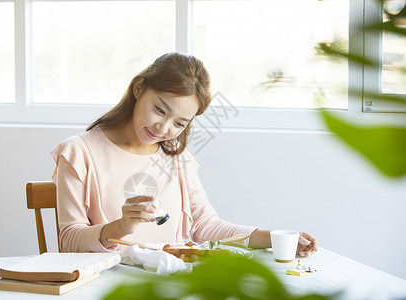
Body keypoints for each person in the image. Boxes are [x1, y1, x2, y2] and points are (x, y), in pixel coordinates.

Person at [50, 52, 318, 256]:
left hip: (170, 286)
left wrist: (275, 238)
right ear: (139, 88)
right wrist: (119, 228)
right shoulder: (79, 152)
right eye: (160, 110)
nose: (164, 127)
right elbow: (69, 240)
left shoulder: (178, 160)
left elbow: (206, 227)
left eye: (179, 123)